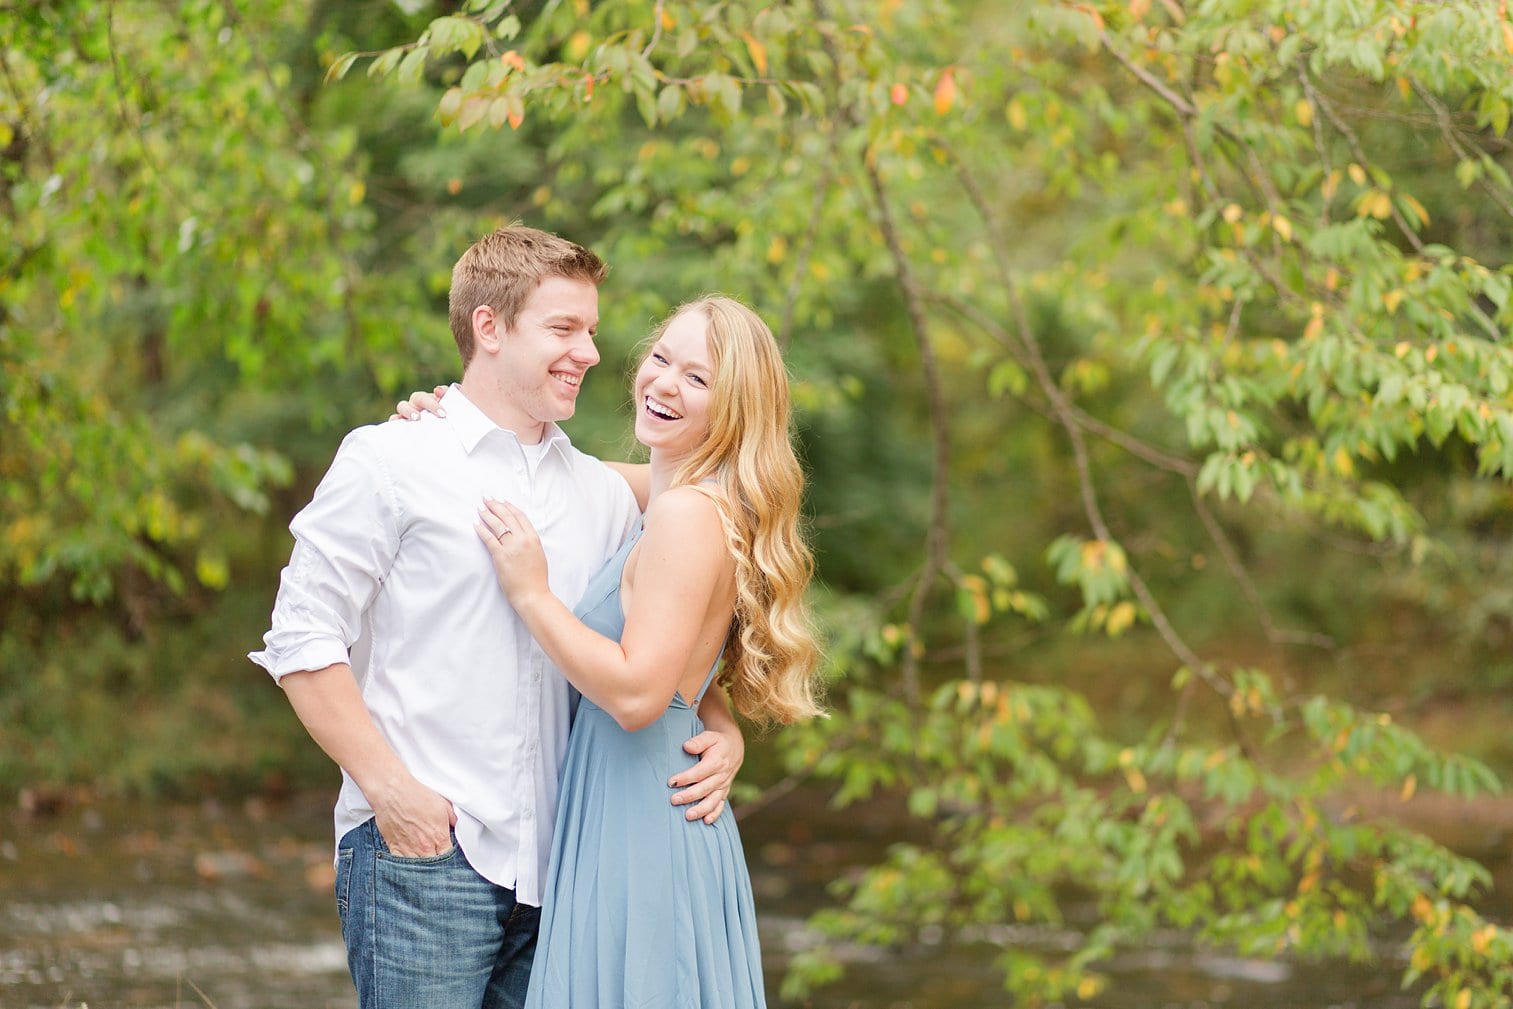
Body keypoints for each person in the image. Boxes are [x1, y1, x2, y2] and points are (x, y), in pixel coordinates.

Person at [248, 226, 745, 1009]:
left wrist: (720, 722)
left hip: (562, 872)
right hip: (427, 855)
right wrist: (391, 792)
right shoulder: (391, 459)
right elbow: (301, 640)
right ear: (489, 327)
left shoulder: (601, 494)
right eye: (562, 329)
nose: (587, 351)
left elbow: (682, 585)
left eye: (590, 330)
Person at [470, 295, 824, 1008]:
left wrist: (532, 593)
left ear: (734, 409)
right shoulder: (668, 490)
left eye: (698, 379)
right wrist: (446, 419)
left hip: (643, 818)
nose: (664, 383)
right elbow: (544, 470)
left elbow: (637, 695)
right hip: (631, 802)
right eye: (662, 359)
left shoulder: (687, 514)